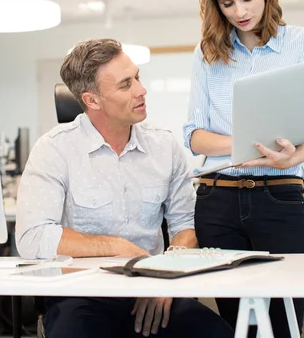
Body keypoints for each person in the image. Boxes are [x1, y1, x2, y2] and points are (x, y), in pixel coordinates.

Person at [16, 38, 233, 338]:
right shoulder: (54, 149)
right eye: (125, 84)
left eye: (138, 78)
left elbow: (186, 225)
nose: (141, 90)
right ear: (92, 100)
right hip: (82, 295)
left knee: (217, 333)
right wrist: (116, 247)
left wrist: (164, 275)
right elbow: (33, 236)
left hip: (153, 289)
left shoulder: (164, 145)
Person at [183, 0, 304, 337]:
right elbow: (194, 137)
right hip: (218, 200)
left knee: (284, 321)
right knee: (238, 327)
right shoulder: (208, 53)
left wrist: (294, 155)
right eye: (227, 3)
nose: (239, 11)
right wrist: (242, 144)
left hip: (278, 195)